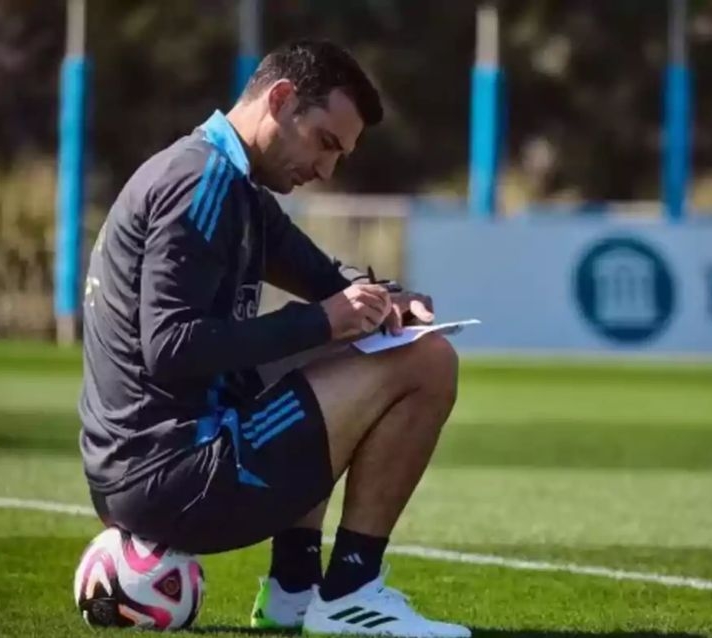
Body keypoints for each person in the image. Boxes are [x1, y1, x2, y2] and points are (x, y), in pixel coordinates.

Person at [79, 39, 469, 638]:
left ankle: (294, 589)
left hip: (147, 473)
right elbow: (171, 346)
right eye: (325, 142)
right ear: (282, 100)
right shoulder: (202, 182)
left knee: (351, 339)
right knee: (428, 361)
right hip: (177, 476)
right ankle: (351, 595)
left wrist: (388, 299)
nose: (326, 170)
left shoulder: (229, 183)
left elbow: (321, 276)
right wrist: (326, 320)